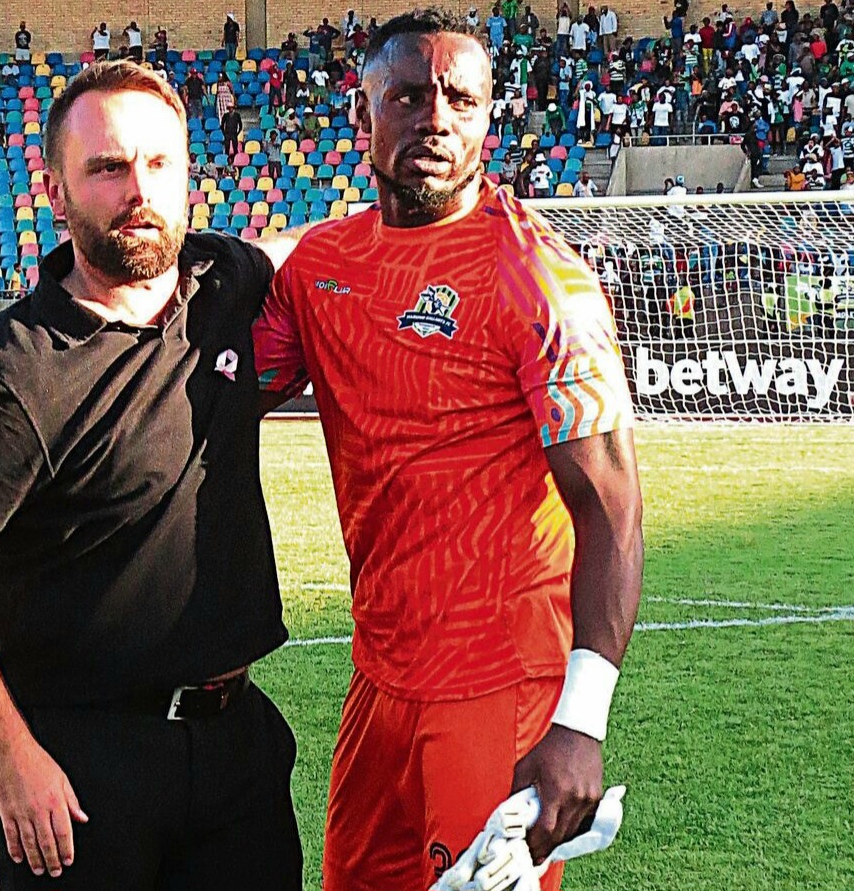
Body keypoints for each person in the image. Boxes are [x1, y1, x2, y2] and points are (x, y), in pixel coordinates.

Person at [253, 10, 643, 891]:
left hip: (496, 679)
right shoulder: (323, 268)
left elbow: (612, 505)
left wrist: (580, 721)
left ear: (487, 121)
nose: (435, 117)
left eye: (461, 100)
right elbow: (218, 391)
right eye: (408, 95)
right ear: (362, 114)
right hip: (380, 676)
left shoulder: (539, 279)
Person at [0, 60, 310, 891]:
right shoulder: (8, 372)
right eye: (109, 167)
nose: (138, 188)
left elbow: (322, 250)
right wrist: (10, 756)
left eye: (160, 164)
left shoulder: (227, 282)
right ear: (57, 193)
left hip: (236, 753)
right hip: (80, 768)